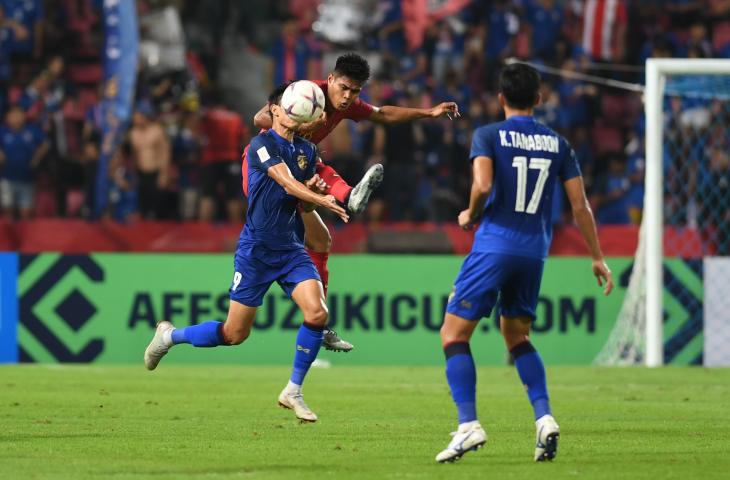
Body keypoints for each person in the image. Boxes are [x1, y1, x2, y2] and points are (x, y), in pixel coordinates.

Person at [435, 63, 613, 463]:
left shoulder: (488, 135)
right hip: (535, 252)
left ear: (501, 98)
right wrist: (597, 257)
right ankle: (544, 417)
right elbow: (579, 206)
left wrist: (470, 213)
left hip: (495, 245)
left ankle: (468, 425)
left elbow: (482, 185)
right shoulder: (559, 144)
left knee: (453, 335)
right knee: (517, 338)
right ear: (539, 98)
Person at [144, 83, 349, 423]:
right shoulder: (261, 144)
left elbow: (296, 194)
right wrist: (319, 198)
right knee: (234, 334)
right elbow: (285, 183)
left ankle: (293, 390)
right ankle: (169, 336)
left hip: (291, 249)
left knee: (317, 313)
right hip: (256, 252)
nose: (282, 111)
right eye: (278, 107)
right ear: (276, 112)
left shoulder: (307, 152)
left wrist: (314, 190)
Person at [249, 52, 460, 351]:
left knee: (321, 240)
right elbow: (259, 119)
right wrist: (304, 119)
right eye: (344, 88)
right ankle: (348, 195)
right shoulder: (308, 91)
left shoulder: (344, 104)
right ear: (331, 79)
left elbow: (383, 114)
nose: (348, 97)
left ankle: (317, 323)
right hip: (266, 168)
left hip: (297, 168)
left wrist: (429, 113)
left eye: (356, 91)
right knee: (315, 167)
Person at [0, 104, 48, 219]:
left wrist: (37, 157)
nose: (17, 118)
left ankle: (25, 235)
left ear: (24, 116)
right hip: (7, 178)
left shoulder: (32, 130)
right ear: (7, 118)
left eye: (19, 115)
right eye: (13, 115)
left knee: (26, 213)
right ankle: (7, 236)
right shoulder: (2, 131)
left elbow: (46, 144)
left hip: (28, 178)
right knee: (7, 210)